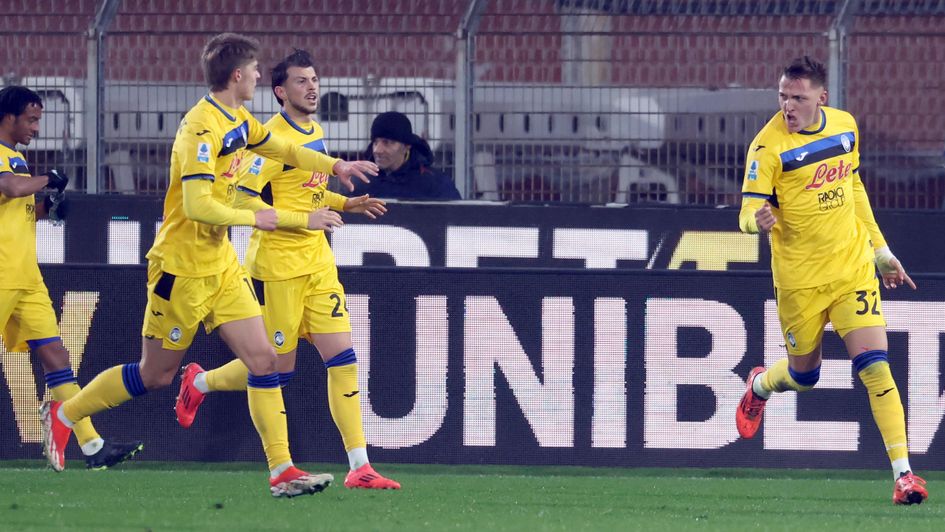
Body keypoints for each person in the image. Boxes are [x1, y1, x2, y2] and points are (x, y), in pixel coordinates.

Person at [40, 33, 378, 498]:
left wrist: (334, 164)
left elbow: (283, 149)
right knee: (155, 374)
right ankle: (67, 413)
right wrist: (262, 216)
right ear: (237, 75)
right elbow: (198, 206)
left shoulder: (238, 117)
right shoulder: (201, 129)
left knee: (264, 363)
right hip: (181, 267)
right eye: (257, 70)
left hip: (221, 263)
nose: (261, 76)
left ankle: (282, 471)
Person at [174, 49, 400, 490]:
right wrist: (304, 221)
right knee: (275, 368)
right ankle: (199, 381)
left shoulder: (313, 130)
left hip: (318, 265)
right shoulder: (267, 141)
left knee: (344, 359)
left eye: (315, 79)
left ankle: (360, 467)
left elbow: (307, 196)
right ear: (280, 91)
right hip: (277, 269)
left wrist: (343, 202)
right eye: (301, 81)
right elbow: (239, 199)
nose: (312, 87)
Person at [735, 56, 927, 505]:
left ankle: (904, 476)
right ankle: (760, 386)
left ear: (822, 98)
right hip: (799, 281)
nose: (788, 105)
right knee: (805, 377)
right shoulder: (767, 147)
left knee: (875, 365)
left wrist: (880, 252)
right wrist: (755, 222)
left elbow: (854, 187)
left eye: (798, 97)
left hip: (850, 269)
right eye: (783, 96)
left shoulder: (845, 127)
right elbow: (746, 210)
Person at [0, 86, 143, 471]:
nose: (35, 128)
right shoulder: (5, 161)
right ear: (9, 117)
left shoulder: (16, 159)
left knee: (56, 356)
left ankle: (92, 445)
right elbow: (11, 189)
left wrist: (50, 208)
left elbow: (19, 208)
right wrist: (50, 178)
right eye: (31, 119)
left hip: (25, 278)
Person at [345, 111, 461, 200]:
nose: (377, 150)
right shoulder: (360, 183)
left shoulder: (434, 184)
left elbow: (456, 218)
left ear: (406, 146)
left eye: (387, 143)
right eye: (375, 142)